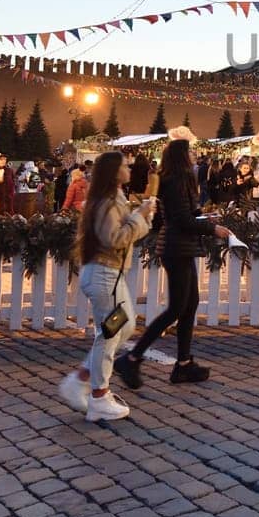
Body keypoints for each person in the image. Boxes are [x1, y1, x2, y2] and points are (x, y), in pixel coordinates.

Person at [113, 139, 229, 390]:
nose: (193, 154)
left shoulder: (181, 179)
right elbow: (181, 219)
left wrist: (205, 218)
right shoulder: (175, 181)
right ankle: (131, 358)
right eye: (190, 151)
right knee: (176, 308)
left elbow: (187, 215)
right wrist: (212, 227)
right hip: (176, 247)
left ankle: (184, 364)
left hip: (183, 247)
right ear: (181, 155)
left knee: (190, 304)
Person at [57, 152, 155, 422]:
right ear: (114, 172)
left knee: (124, 325)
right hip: (104, 275)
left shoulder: (115, 200)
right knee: (110, 332)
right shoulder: (107, 203)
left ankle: (82, 378)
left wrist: (141, 217)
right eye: (124, 165)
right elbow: (115, 239)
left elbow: (127, 233)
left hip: (111, 274)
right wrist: (139, 217)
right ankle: (99, 395)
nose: (129, 168)